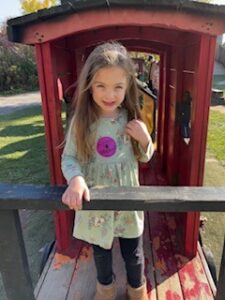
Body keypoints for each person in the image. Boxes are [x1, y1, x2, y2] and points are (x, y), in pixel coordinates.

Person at [61, 42, 154, 300]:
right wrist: (76, 179)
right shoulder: (82, 122)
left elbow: (145, 156)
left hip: (128, 202)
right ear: (89, 84)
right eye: (101, 85)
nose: (109, 94)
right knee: (101, 253)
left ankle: (137, 290)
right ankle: (106, 288)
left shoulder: (131, 118)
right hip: (97, 204)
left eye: (118, 87)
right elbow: (68, 158)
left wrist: (146, 139)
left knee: (133, 254)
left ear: (127, 87)